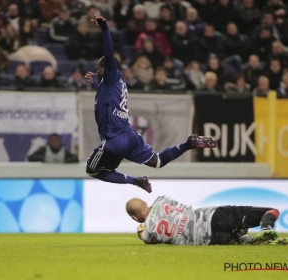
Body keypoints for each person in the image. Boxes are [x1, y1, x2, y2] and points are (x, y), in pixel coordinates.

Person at [84, 17, 217, 193]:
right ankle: (188, 144)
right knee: (157, 161)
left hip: (114, 140)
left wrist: (105, 29)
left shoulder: (111, 73)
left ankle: (135, 181)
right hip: (129, 135)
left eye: (98, 68)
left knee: (92, 170)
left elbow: (109, 56)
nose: (96, 70)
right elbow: (104, 97)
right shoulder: (114, 83)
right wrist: (95, 81)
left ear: (107, 68)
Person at [127, 196, 288, 246]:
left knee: (243, 243)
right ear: (145, 203)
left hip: (209, 239)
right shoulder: (161, 199)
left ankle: (262, 243)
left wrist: (140, 230)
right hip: (214, 216)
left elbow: (145, 237)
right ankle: (266, 229)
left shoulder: (148, 232)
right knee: (271, 211)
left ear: (135, 218)